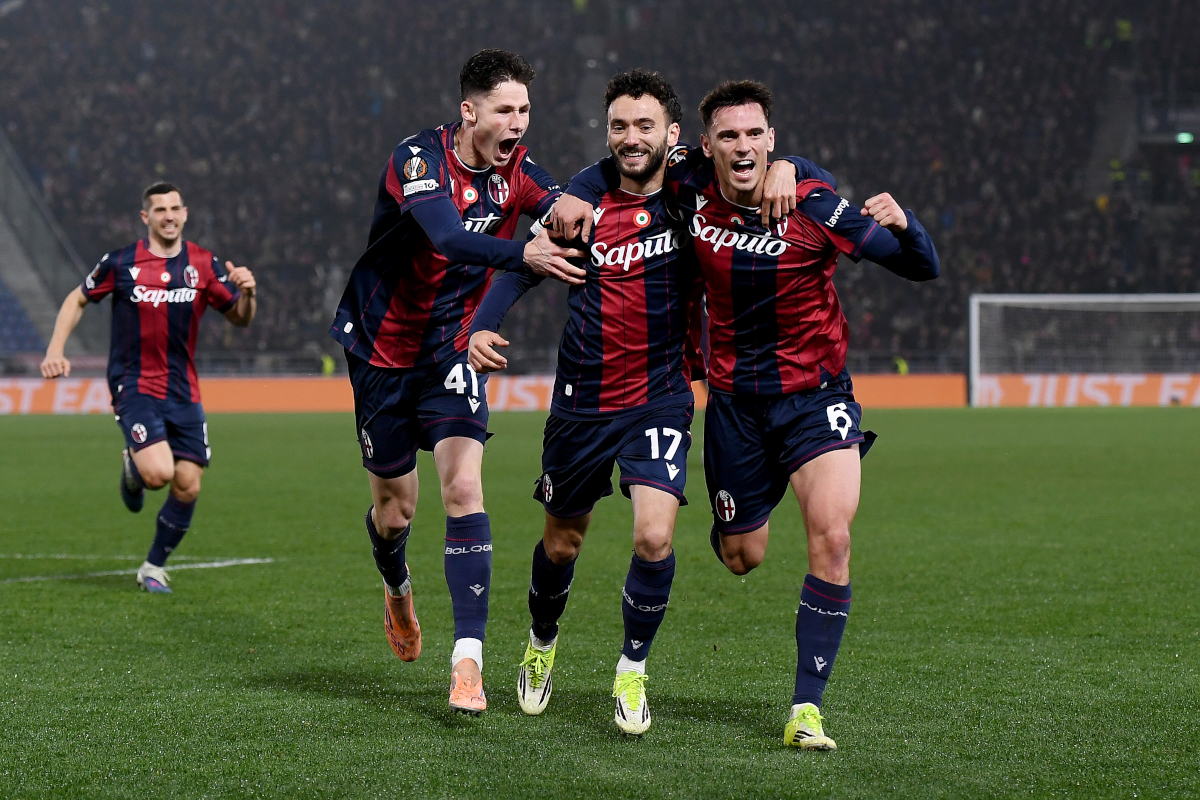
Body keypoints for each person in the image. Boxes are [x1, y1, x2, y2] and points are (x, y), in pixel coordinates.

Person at [558, 80, 939, 749]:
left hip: (817, 399)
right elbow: (627, 158)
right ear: (705, 147)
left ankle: (806, 711)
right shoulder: (690, 187)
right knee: (742, 558)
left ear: (771, 140)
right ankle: (740, 520)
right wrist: (578, 191)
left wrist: (909, 223)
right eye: (728, 136)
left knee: (834, 538)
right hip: (734, 405)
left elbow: (921, 267)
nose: (743, 146)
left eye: (755, 135)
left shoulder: (816, 203)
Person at [469, 69, 822, 734]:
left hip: (661, 396)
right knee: (563, 543)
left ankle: (632, 668)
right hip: (583, 400)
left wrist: (793, 167)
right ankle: (542, 642)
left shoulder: (695, 190)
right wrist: (483, 322)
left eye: (644, 126)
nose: (631, 139)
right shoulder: (584, 201)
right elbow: (527, 261)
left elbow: (752, 158)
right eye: (619, 127)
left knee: (655, 535)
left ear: (673, 135)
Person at [327, 49, 583, 715]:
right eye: (505, 110)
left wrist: (569, 211)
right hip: (382, 348)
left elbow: (559, 213)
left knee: (465, 488)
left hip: (451, 350)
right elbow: (444, 237)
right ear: (470, 112)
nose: (518, 123)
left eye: (525, 110)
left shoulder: (519, 172)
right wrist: (523, 249)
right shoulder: (418, 159)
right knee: (395, 512)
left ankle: (467, 662)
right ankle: (396, 587)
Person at [39, 182, 257, 593]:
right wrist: (55, 348)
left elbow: (240, 319)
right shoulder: (121, 263)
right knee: (159, 474)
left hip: (184, 390)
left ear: (185, 213)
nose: (169, 216)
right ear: (146, 217)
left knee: (188, 483)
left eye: (175, 208)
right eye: (160, 210)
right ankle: (137, 469)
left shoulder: (203, 264)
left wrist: (249, 292)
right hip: (134, 383)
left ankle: (152, 567)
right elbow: (77, 298)